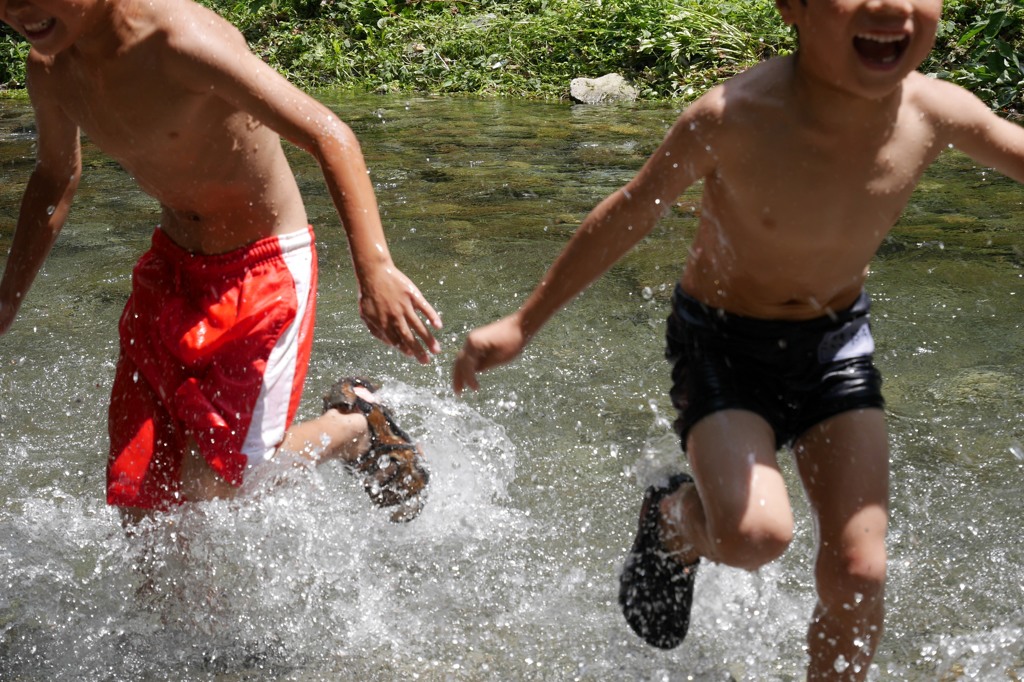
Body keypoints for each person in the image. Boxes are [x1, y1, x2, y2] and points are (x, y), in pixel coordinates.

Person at [452, 0, 1024, 677]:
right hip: (722, 345)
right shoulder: (732, 116)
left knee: (860, 573)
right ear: (793, 9)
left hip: (836, 345)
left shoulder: (937, 111)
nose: (888, 5)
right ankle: (675, 520)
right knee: (756, 536)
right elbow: (632, 213)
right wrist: (523, 322)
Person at [0, 0, 442, 523]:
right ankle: (179, 610)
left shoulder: (181, 41)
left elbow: (330, 136)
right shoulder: (49, 67)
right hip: (171, 271)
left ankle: (351, 430)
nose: (17, 9)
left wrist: (376, 270)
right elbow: (55, 177)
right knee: (142, 498)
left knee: (214, 487)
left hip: (262, 272)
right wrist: (8, 298)